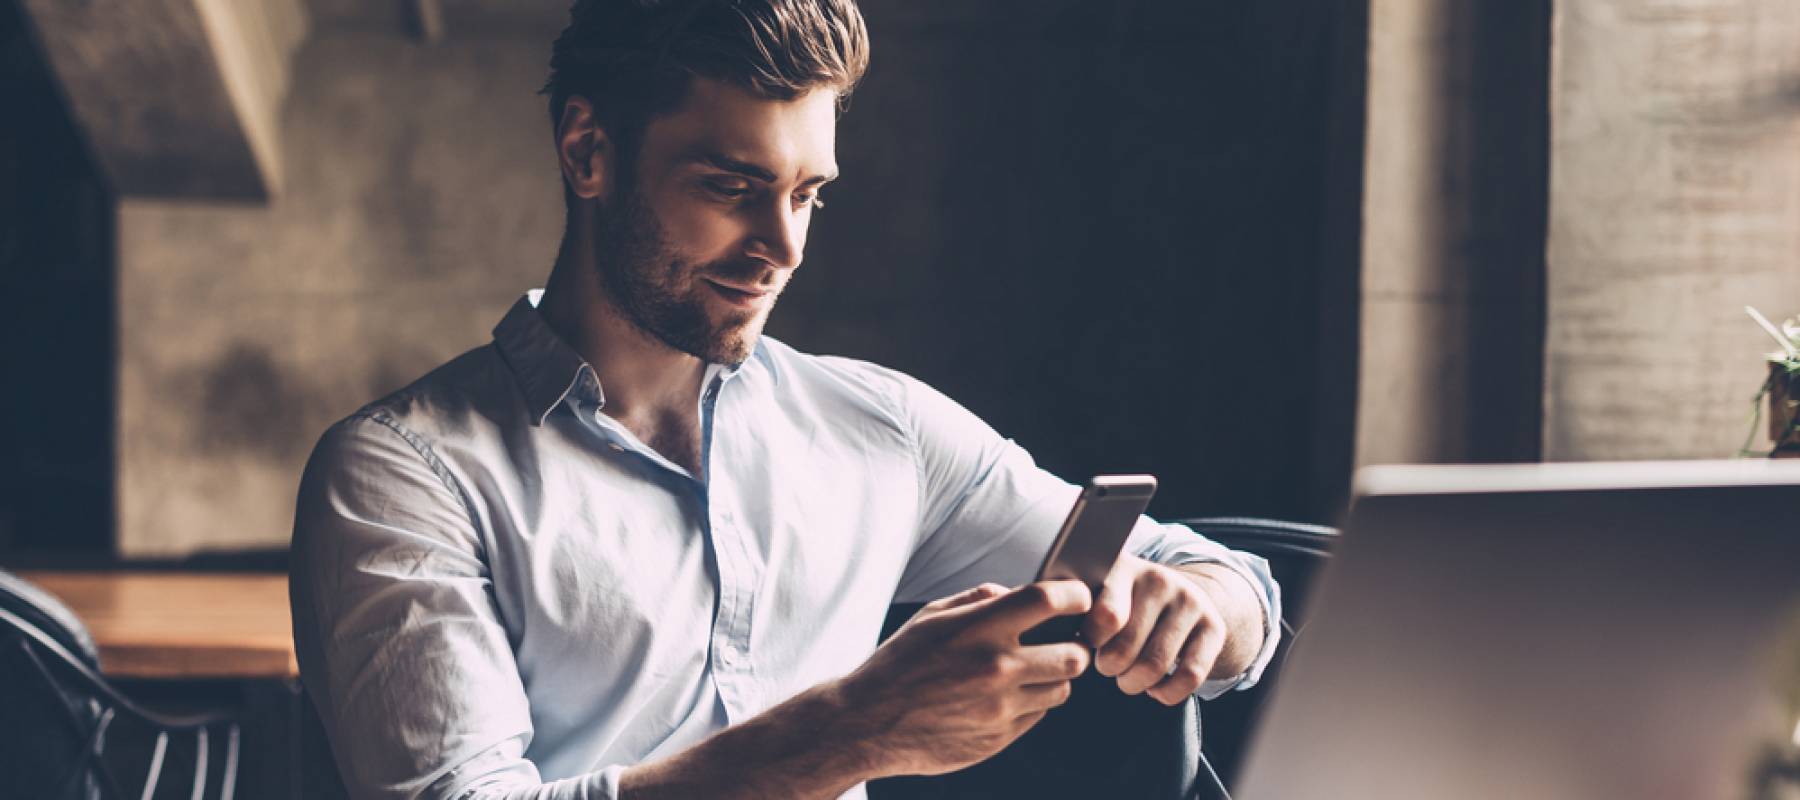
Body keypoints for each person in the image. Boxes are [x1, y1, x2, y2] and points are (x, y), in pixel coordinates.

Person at [289, 1, 1282, 798]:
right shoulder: (401, 474)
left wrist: (1204, 609)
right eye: (732, 187)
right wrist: (850, 731)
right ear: (587, 150)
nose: (786, 245)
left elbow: (1209, 570)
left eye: (808, 193)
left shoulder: (878, 428)